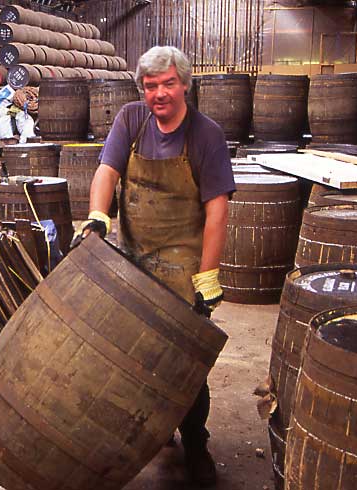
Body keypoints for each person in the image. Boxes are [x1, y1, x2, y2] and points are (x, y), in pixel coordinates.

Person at [72, 46, 235, 487]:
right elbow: (107, 170)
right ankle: (154, 429)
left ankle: (195, 442)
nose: (159, 93)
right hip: (135, 252)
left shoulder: (206, 135)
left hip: (183, 261)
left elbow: (217, 212)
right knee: (131, 351)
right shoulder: (130, 119)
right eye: (150, 86)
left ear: (184, 84)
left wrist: (207, 277)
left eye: (167, 84)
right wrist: (98, 215)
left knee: (184, 364)